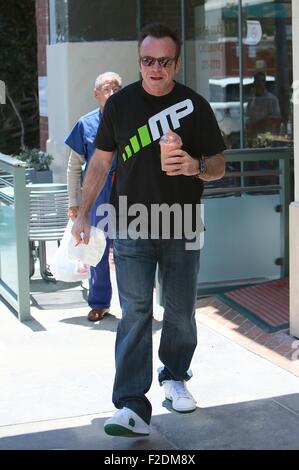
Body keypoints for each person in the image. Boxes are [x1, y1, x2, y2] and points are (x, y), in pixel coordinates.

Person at [72, 23, 226, 437]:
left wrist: (195, 166)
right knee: (136, 314)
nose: (155, 68)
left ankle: (174, 376)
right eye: (147, 61)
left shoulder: (195, 106)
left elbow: (218, 165)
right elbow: (100, 162)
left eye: (163, 61)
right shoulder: (120, 105)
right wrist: (83, 214)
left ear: (175, 63)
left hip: (182, 222)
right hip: (130, 224)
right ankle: (131, 405)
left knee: (178, 311)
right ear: (139, 62)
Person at [65, 71, 122, 322]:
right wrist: (74, 204)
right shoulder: (85, 124)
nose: (111, 94)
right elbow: (74, 167)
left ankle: (134, 306)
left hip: (128, 192)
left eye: (116, 89)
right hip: (97, 194)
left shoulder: (132, 121)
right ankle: (100, 302)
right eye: (106, 89)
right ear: (96, 94)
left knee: (129, 250)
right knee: (97, 248)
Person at [246, 71, 281, 138]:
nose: (258, 84)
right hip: (253, 135)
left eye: (261, 81)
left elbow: (276, 118)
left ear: (264, 83)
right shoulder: (251, 99)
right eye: (256, 81)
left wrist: (258, 124)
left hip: (267, 136)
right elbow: (248, 115)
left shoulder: (271, 99)